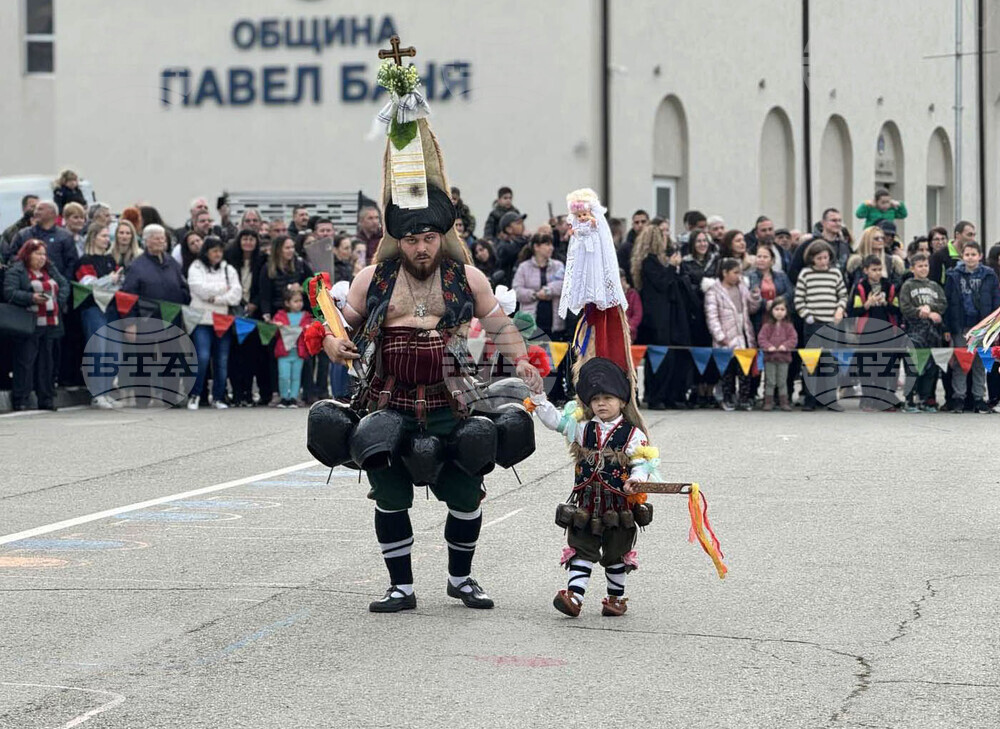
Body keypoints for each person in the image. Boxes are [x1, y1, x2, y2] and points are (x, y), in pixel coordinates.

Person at [321, 182, 542, 613]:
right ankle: (400, 587)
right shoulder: (373, 278)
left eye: (428, 239)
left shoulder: (467, 277)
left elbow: (499, 326)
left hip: (452, 402)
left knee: (465, 492)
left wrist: (523, 362)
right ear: (397, 240)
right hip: (386, 404)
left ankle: (460, 579)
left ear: (442, 237)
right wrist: (332, 343)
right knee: (390, 494)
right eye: (411, 240)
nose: (421, 248)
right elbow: (339, 326)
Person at [532, 358, 656, 617]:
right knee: (581, 547)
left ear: (622, 401)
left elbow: (643, 463)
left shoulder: (633, 434)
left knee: (616, 552)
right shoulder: (581, 428)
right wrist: (538, 396)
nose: (601, 403)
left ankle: (616, 599)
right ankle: (575, 597)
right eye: (596, 398)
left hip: (619, 506)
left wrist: (638, 479)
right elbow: (555, 421)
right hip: (586, 504)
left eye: (608, 398)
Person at [632, 226, 696, 409]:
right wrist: (671, 267)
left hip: (669, 315)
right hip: (656, 317)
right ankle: (655, 396)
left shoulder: (659, 261)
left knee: (670, 356)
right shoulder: (649, 262)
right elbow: (661, 283)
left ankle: (669, 394)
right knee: (660, 357)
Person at [3, 240, 69, 411]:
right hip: (28, 322)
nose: (41, 258)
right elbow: (10, 292)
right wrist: (31, 298)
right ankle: (21, 399)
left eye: (43, 254)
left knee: (47, 362)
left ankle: (46, 398)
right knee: (25, 361)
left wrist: (57, 301)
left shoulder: (49, 269)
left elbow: (64, 285)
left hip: (50, 321)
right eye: (37, 254)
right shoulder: (17, 270)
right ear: (27, 254)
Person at [186, 237, 242, 410]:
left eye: (220, 250)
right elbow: (197, 288)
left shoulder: (228, 269)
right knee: (202, 357)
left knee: (221, 360)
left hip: (223, 320)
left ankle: (218, 397)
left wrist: (215, 298)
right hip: (202, 320)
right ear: (206, 251)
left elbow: (236, 294)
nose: (218, 254)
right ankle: (195, 394)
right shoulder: (196, 267)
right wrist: (221, 290)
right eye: (214, 250)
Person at [945, 241, 1000, 413]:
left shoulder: (989, 275)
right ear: (962, 256)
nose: (970, 258)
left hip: (982, 326)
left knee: (980, 363)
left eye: (973, 254)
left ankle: (978, 397)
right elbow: (948, 302)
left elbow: (995, 301)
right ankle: (959, 397)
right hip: (961, 325)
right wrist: (948, 327)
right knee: (961, 363)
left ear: (980, 256)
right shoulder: (953, 275)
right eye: (967, 254)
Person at [794, 241, 848, 411]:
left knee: (830, 362)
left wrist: (840, 309)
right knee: (811, 362)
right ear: (812, 259)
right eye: (819, 258)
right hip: (812, 324)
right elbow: (799, 299)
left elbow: (843, 295)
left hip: (831, 324)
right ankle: (810, 399)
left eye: (826, 257)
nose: (824, 261)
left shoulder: (835, 273)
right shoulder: (805, 274)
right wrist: (807, 315)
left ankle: (830, 399)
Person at [75, 225, 122, 409]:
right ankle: (97, 393)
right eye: (103, 236)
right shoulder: (84, 261)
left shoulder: (111, 259)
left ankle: (107, 390)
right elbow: (88, 285)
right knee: (98, 350)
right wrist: (109, 280)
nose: (106, 239)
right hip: (93, 308)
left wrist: (112, 281)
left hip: (112, 307)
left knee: (114, 351)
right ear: (93, 237)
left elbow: (119, 281)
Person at [705, 258, 761, 411]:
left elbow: (751, 309)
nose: (738, 276)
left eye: (740, 273)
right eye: (735, 273)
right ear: (725, 273)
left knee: (745, 371)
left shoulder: (742, 288)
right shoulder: (714, 291)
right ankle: (727, 398)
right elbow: (712, 316)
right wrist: (720, 336)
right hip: (726, 337)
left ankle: (744, 399)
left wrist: (755, 297)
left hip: (743, 335)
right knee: (727, 372)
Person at [849, 255, 901, 411]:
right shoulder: (861, 287)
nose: (877, 273)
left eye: (880, 270)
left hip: (886, 331)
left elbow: (897, 308)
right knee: (866, 367)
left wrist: (885, 303)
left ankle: (881, 399)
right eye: (874, 270)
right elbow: (854, 310)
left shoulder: (889, 286)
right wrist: (867, 304)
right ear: (866, 270)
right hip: (866, 331)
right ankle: (867, 399)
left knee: (883, 367)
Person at [224, 229, 268, 407]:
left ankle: (248, 393)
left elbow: (263, 287)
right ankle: (236, 392)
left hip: (253, 313)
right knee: (234, 356)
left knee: (251, 356)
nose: (248, 242)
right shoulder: (230, 260)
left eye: (252, 239)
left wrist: (254, 304)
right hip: (233, 312)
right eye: (245, 239)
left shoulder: (262, 261)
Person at [899, 252, 947, 412]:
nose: (923, 269)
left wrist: (932, 310)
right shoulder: (908, 285)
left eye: (926, 265)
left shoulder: (934, 286)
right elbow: (905, 307)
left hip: (933, 332)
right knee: (913, 366)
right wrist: (920, 312)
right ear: (912, 268)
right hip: (914, 331)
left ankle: (925, 399)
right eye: (920, 266)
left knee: (931, 367)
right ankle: (909, 399)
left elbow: (943, 303)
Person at [513, 232, 565, 338]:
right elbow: (516, 290)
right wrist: (535, 295)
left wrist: (548, 290)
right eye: (547, 244)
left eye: (552, 245)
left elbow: (563, 285)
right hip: (530, 322)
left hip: (553, 321)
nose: (551, 248)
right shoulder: (524, 267)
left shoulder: (558, 265)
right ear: (536, 247)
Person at [8, 200, 78, 277]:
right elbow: (12, 258)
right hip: (27, 284)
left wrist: (64, 284)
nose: (36, 212)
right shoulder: (23, 234)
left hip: (57, 284)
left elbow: (72, 263)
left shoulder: (65, 236)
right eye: (36, 209)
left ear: (52, 213)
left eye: (40, 209)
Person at [272, 286, 312, 408]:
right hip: (284, 352)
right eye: (295, 301)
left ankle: (294, 398)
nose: (299, 304)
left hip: (298, 352)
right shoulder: (280, 315)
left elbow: (309, 331)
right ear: (287, 303)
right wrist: (276, 326)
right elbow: (273, 333)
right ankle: (284, 397)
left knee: (296, 376)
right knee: (283, 376)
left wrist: (308, 328)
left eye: (300, 301)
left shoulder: (306, 316)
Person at [789, 208, 850, 282]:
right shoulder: (808, 244)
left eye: (839, 220)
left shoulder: (845, 247)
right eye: (833, 220)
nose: (838, 223)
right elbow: (793, 271)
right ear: (823, 223)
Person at [757, 297, 796, 411]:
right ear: (771, 311)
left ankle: (784, 402)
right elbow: (761, 338)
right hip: (770, 358)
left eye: (782, 309)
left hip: (784, 359)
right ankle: (768, 402)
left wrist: (786, 346)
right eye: (776, 309)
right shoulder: (767, 326)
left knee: (782, 381)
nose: (779, 312)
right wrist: (768, 346)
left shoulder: (789, 326)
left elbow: (793, 339)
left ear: (786, 311)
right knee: (770, 381)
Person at [746, 243, 792, 332]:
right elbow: (749, 296)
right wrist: (765, 303)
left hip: (780, 317)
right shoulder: (750, 277)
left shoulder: (781, 276)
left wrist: (776, 302)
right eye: (759, 257)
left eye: (765, 257)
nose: (761, 259)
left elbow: (790, 293)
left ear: (772, 261)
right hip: (759, 318)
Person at [931, 220, 977, 286]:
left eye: (974, 235)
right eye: (969, 235)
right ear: (957, 235)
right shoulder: (939, 256)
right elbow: (934, 282)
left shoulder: (975, 255)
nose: (973, 239)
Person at [621, 268, 642, 341]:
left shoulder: (633, 294)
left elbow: (637, 315)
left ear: (623, 280)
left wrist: (628, 327)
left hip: (629, 334)